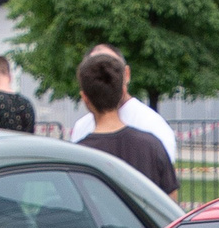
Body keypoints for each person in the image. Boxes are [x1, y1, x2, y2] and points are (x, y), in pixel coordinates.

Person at [74, 50, 177, 196]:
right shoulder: (153, 146)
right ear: (123, 90)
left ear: (85, 98)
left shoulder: (77, 155)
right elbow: (172, 209)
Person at [70, 45, 177, 157]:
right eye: (95, 72)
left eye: (111, 69)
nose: (103, 78)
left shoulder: (152, 126)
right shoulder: (81, 127)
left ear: (126, 74)